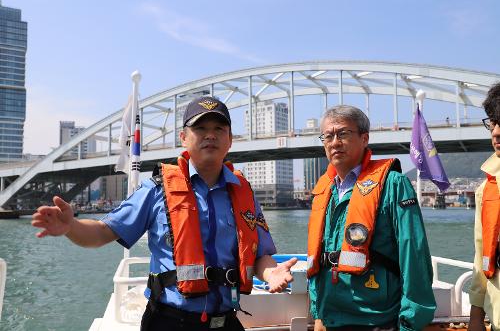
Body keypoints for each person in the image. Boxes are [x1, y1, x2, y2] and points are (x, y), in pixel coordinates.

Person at [31, 96, 297, 331]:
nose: (210, 135)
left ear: (230, 139)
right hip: (169, 320)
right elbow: (101, 233)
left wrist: (271, 273)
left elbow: (260, 254)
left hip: (226, 319)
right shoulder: (156, 190)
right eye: (200, 128)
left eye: (219, 129)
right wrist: (71, 227)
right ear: (183, 138)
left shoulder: (244, 194)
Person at [307, 105, 436, 331]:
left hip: (377, 320)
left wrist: (409, 323)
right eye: (328, 136)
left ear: (364, 138)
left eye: (343, 134)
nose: (334, 142)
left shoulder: (394, 185)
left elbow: (414, 256)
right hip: (330, 321)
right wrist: (318, 314)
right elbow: (320, 258)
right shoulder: (324, 190)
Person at [468, 82, 500, 331]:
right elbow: (481, 257)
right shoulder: (486, 189)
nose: (496, 132)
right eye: (492, 122)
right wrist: (476, 314)